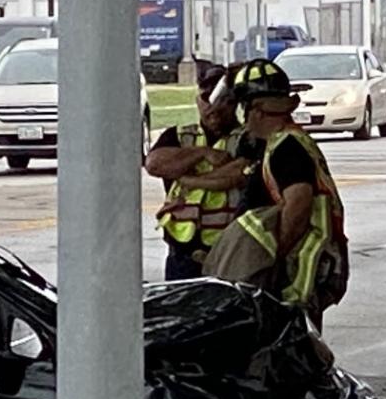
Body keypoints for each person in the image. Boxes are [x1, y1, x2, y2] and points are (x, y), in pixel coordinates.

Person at [202, 59, 348, 328]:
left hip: (293, 275)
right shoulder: (279, 142)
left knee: (287, 352)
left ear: (256, 111)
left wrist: (272, 258)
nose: (242, 119)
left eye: (243, 108)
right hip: (297, 272)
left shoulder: (287, 149)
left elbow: (299, 205)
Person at [144, 63, 257, 281]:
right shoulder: (179, 135)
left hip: (231, 251)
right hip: (184, 256)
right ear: (197, 100)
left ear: (236, 104)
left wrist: (188, 179)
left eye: (225, 101)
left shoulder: (248, 138)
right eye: (207, 99)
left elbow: (238, 175)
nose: (214, 108)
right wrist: (202, 153)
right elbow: (155, 164)